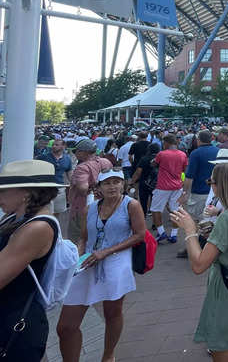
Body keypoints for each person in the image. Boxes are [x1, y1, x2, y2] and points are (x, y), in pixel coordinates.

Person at [171, 160, 228, 362]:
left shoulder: (227, 217)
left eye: (211, 181)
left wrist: (189, 231)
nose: (209, 184)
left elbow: (198, 265)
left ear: (220, 185)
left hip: (227, 293)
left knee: (223, 345)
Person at [58, 169, 145, 362]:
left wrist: (106, 252)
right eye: (107, 183)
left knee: (112, 311)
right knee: (66, 325)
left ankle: (108, 354)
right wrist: (77, 257)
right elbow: (84, 237)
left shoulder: (131, 205)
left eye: (117, 182)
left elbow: (140, 234)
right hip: (89, 261)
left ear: (123, 184)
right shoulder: (91, 208)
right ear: (99, 187)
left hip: (116, 261)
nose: (113, 186)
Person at [0, 160, 62, 361]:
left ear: (26, 192)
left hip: (14, 322)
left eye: (4, 190)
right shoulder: (15, 218)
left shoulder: (38, 227)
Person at [176, 130, 219, 258]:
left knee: (194, 222)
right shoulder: (218, 150)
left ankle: (194, 248)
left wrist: (184, 193)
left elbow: (189, 176)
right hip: (215, 191)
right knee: (210, 221)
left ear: (198, 140)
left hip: (199, 192)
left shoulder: (195, 153)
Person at [68, 139, 113, 244]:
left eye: (77, 151)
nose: (75, 154)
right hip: (106, 205)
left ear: (85, 152)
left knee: (78, 239)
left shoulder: (82, 168)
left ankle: (80, 259)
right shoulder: (106, 162)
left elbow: (83, 188)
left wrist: (93, 187)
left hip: (83, 207)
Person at [151, 135, 188, 244]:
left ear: (166, 143)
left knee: (155, 210)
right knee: (175, 210)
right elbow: (184, 169)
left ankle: (161, 232)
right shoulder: (183, 154)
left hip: (163, 186)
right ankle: (174, 234)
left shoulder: (162, 154)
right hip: (177, 186)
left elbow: (153, 164)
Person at [39, 137, 73, 217]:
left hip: (60, 189)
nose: (53, 146)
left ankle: (54, 227)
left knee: (57, 212)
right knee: (45, 212)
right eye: (53, 144)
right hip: (46, 189)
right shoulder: (44, 157)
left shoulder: (67, 158)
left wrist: (72, 184)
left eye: (56, 145)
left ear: (63, 146)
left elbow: (69, 172)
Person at [127, 142, 160, 218]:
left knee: (143, 201)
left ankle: (143, 216)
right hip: (157, 183)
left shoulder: (144, 159)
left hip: (144, 182)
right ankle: (155, 222)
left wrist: (132, 182)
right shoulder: (160, 159)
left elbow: (138, 172)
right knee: (155, 202)